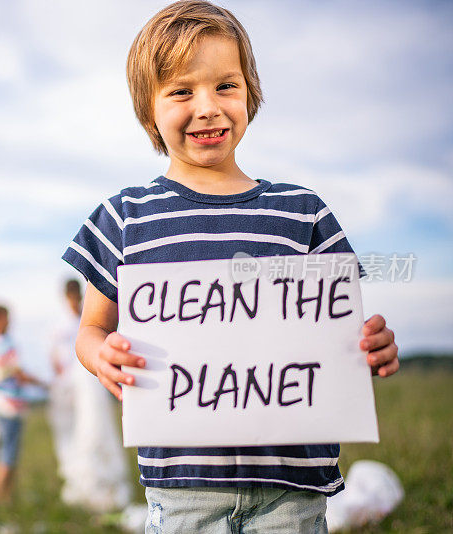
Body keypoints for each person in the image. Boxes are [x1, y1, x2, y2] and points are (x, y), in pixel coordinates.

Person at [62, 2, 400, 532]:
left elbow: (337, 327)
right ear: (148, 108)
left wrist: (369, 348)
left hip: (292, 489)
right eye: (181, 91)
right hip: (183, 491)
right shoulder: (124, 216)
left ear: (251, 94)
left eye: (226, 86)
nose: (208, 107)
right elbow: (91, 329)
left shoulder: (302, 211)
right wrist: (100, 354)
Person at [48, 279, 131, 512]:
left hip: (89, 377)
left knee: (96, 422)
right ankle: (81, 471)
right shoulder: (62, 325)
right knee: (77, 426)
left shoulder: (88, 319)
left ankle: (102, 473)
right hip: (71, 381)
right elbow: (54, 356)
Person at [0, 303, 42, 501]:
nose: (10, 321)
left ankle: (4, 497)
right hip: (9, 405)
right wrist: (43, 384)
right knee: (8, 455)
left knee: (4, 451)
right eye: (6, 317)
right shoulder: (6, 344)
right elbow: (19, 373)